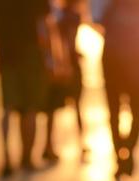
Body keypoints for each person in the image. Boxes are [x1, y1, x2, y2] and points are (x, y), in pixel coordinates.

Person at [0, 0, 51, 175]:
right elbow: (43, 26)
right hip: (31, 53)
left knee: (7, 108)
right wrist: (48, 57)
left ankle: (6, 158)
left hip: (8, 55)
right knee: (30, 109)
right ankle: (27, 158)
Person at [101, 0, 139, 178]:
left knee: (115, 111)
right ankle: (127, 152)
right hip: (132, 62)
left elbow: (99, 22)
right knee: (135, 111)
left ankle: (122, 154)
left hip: (114, 61)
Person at [43, 0, 86, 162]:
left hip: (59, 65)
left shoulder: (58, 14)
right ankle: (80, 145)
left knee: (53, 108)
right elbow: (67, 42)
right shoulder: (71, 16)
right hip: (67, 67)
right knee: (74, 106)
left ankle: (48, 145)